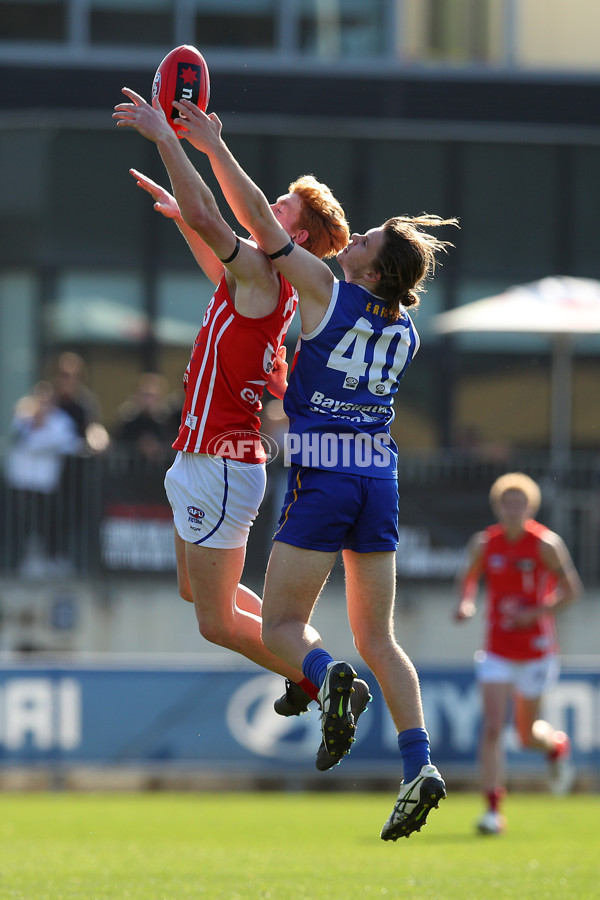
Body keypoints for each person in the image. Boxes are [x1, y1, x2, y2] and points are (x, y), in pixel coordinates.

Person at [175, 98, 458, 840]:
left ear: (371, 266)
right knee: (382, 638)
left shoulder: (329, 294)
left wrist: (212, 144)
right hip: (381, 480)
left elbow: (263, 233)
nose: (352, 239)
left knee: (282, 625)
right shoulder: (406, 332)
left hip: (326, 475)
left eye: (363, 239)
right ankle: (419, 762)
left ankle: (326, 679)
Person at [113, 88, 356, 719]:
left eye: (281, 205)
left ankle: (322, 675)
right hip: (212, 459)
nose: (268, 205)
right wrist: (184, 215)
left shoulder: (264, 272)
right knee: (196, 590)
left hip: (219, 462)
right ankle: (315, 670)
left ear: (294, 232)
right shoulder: (257, 277)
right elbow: (211, 239)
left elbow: (212, 217)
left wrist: (166, 138)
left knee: (215, 623)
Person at [453, 472, 582, 835]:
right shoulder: (484, 543)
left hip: (537, 650)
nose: (513, 509)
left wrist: (536, 612)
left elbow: (572, 589)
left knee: (526, 736)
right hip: (496, 649)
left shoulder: (545, 544)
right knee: (493, 727)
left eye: (519, 502)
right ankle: (493, 811)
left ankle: (555, 746)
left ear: (530, 506)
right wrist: (465, 604)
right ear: (498, 506)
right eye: (506, 503)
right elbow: (467, 578)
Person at [4, 381, 83, 574]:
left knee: (47, 524)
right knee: (18, 525)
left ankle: (50, 560)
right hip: (20, 482)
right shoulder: (23, 418)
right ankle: (17, 563)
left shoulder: (61, 421)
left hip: (46, 485)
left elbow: (67, 443)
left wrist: (40, 440)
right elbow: (20, 439)